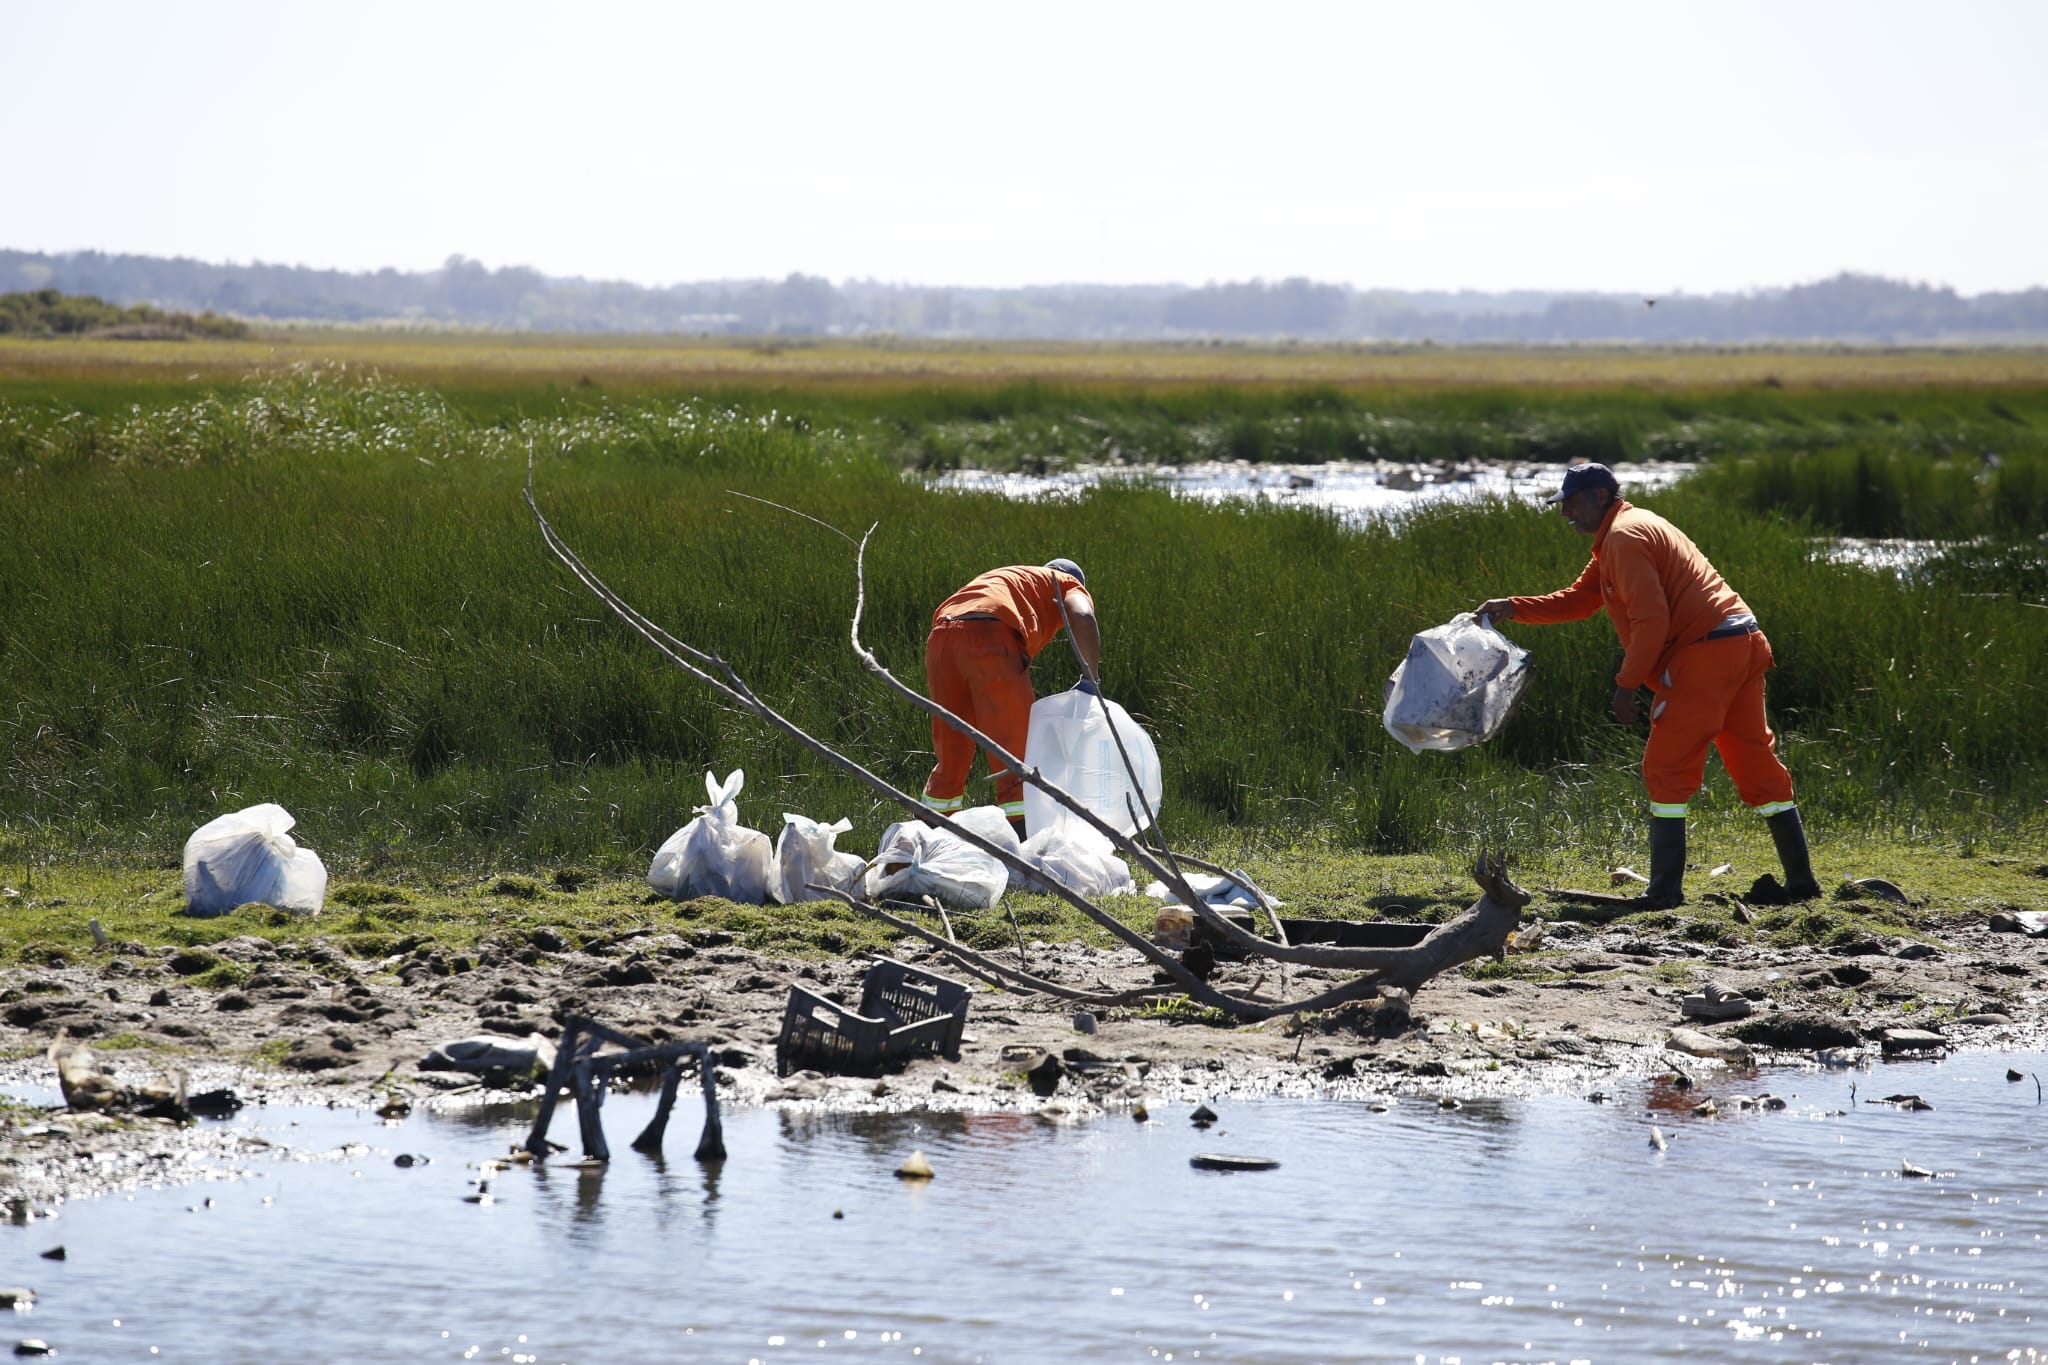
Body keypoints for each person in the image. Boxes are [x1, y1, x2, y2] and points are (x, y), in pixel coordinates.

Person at [1474, 463, 1819, 910]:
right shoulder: (1626, 532)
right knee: (1755, 764)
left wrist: (1626, 684)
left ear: (1601, 496)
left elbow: (1651, 620)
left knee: (1666, 769)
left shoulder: (1624, 538)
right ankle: (1802, 885)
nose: (1566, 514)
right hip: (1742, 643)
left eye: (1573, 503)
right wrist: (1514, 608)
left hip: (1707, 653)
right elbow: (1581, 600)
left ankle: (1662, 894)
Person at [922, 559, 1101, 834]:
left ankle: (926, 839)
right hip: (988, 638)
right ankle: (1022, 853)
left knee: (951, 754)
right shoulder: (1065, 583)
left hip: (941, 640)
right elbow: (1083, 616)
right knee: (1017, 759)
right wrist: (1091, 679)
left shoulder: (1016, 578)